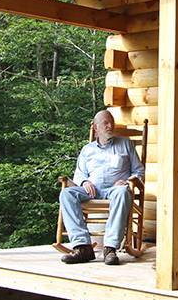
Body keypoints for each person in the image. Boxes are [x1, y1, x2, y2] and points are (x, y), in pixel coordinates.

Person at [59, 110, 144, 266]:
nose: (110, 126)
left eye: (111, 122)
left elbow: (139, 171)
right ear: (96, 128)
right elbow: (79, 174)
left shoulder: (126, 144)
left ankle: (110, 248)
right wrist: (84, 182)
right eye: (105, 123)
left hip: (115, 189)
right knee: (67, 194)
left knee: (123, 191)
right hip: (91, 190)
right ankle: (83, 247)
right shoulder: (87, 149)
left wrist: (127, 181)